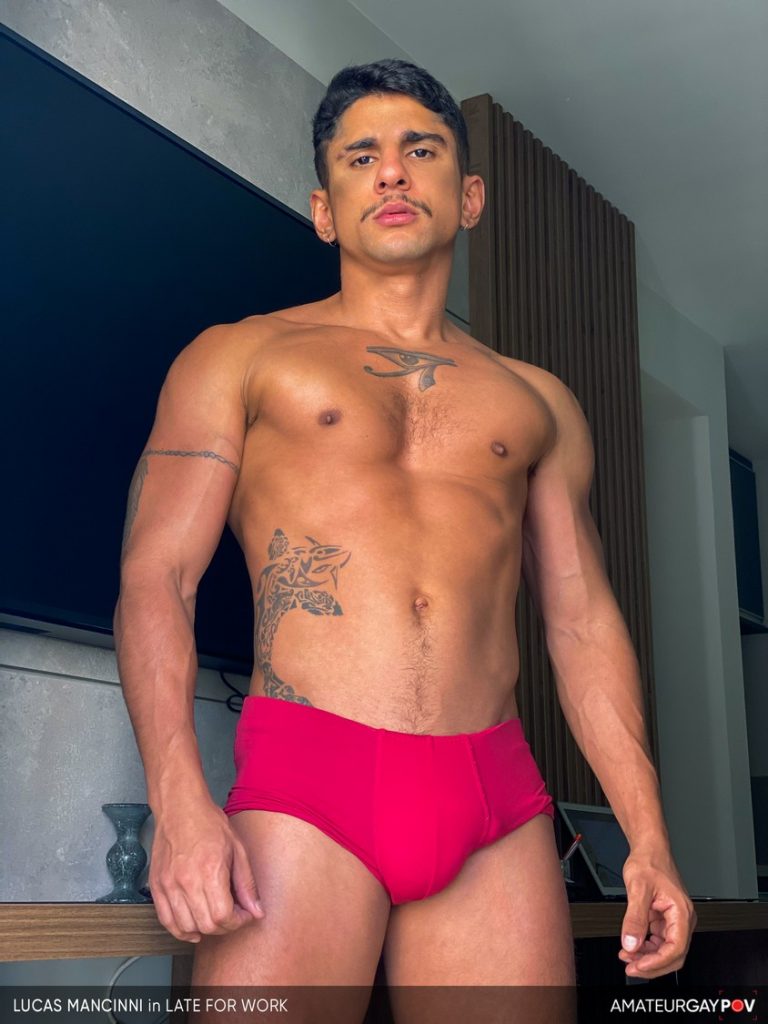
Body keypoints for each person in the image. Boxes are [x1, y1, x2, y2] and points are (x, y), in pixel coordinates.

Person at [114, 58, 695, 1011]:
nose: (390, 171)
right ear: (324, 210)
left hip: (492, 797)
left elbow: (582, 620)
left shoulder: (539, 401)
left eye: (420, 150)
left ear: (469, 197)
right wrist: (178, 798)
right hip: (306, 782)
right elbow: (158, 579)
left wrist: (650, 839)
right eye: (361, 157)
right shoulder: (239, 357)